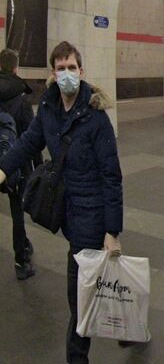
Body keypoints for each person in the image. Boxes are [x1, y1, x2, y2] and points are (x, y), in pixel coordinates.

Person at [0, 41, 123, 364]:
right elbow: (28, 143)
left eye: (72, 68)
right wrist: (2, 169)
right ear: (52, 74)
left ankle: (76, 357)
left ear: (81, 72)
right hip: (66, 209)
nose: (67, 74)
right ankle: (127, 324)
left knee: (78, 295)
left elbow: (112, 176)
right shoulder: (50, 111)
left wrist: (112, 231)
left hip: (90, 213)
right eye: (60, 68)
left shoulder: (96, 119)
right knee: (94, 281)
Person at [0, 47, 35, 280]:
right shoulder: (22, 99)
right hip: (15, 165)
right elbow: (32, 136)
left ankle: (24, 246)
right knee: (17, 214)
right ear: (15, 67)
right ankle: (21, 261)